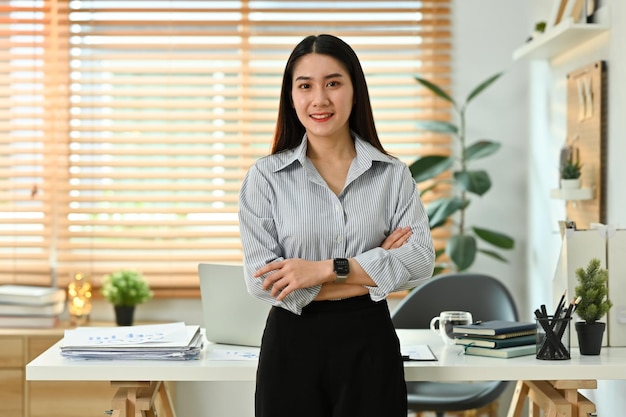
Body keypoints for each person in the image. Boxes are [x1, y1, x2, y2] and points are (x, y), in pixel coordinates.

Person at [238, 34, 435, 417]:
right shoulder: (265, 178)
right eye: (305, 86)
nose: (320, 99)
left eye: (333, 83)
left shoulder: (392, 175)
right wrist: (375, 267)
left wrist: (321, 270)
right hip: (291, 347)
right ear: (291, 97)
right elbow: (263, 282)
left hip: (370, 345)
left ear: (354, 90)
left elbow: (420, 261)